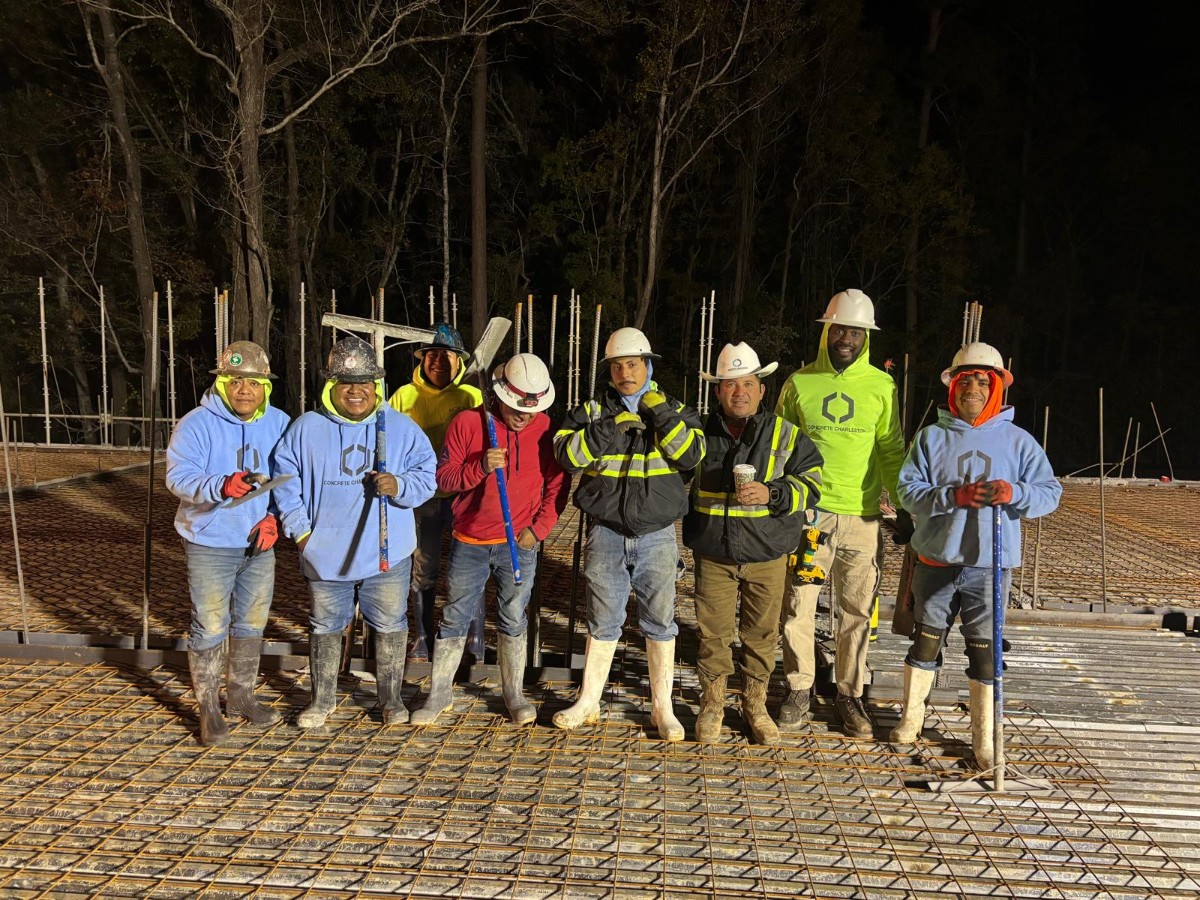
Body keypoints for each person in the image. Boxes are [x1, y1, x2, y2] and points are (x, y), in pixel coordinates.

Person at [892, 342, 1061, 768]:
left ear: (998, 388)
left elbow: (1049, 492)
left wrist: (1014, 493)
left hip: (989, 564)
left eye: (982, 380)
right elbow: (907, 492)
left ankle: (984, 738)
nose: (973, 387)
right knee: (927, 641)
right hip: (936, 559)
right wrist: (953, 497)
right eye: (965, 379)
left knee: (984, 649)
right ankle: (910, 721)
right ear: (952, 387)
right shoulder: (931, 438)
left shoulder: (1019, 442)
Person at [273, 335, 437, 728]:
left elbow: (427, 476)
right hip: (326, 551)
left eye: (364, 382)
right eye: (347, 383)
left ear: (376, 385)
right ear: (332, 385)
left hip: (386, 550)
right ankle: (322, 699)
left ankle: (391, 699)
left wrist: (398, 486)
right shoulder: (305, 429)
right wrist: (301, 534)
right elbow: (285, 481)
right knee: (326, 626)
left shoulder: (400, 428)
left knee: (390, 624)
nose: (356, 391)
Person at [552, 327, 705, 741]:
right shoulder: (592, 411)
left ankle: (663, 709)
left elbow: (691, 454)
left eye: (633, 364)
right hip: (606, 532)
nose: (625, 372)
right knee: (602, 620)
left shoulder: (674, 408)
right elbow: (566, 456)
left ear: (648, 366)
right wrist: (610, 428)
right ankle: (589, 701)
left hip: (657, 534)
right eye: (617, 366)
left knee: (660, 621)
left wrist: (659, 412)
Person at [775, 289, 908, 738]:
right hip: (811, 517)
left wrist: (903, 506)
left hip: (863, 519)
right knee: (799, 604)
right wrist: (781, 500)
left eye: (855, 331)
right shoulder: (800, 383)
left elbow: (890, 449)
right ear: (827, 331)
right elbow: (780, 447)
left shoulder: (882, 387)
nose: (846, 337)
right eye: (839, 329)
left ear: (865, 337)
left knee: (856, 609)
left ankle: (849, 694)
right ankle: (799, 687)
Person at [410, 354, 570, 725]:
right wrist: (479, 467)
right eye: (516, 407)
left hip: (520, 541)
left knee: (514, 616)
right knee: (455, 616)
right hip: (471, 539)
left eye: (530, 409)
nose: (523, 416)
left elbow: (557, 484)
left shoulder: (545, 427)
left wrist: (539, 530)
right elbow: (444, 480)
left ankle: (513, 692)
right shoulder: (467, 422)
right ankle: (439, 693)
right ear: (499, 396)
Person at [682, 342, 822, 745]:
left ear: (762, 390)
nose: (739, 392)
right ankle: (712, 704)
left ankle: (755, 705)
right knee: (714, 634)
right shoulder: (698, 436)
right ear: (717, 392)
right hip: (714, 553)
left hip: (767, 553)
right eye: (729, 385)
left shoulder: (786, 434)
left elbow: (813, 483)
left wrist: (773, 494)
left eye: (747, 384)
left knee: (761, 634)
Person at [165, 341, 290, 746]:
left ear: (265, 388)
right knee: (210, 624)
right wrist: (218, 486)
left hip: (259, 541)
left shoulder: (280, 424)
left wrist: (275, 519)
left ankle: (240, 696)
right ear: (221, 384)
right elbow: (178, 477)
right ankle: (210, 710)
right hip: (210, 541)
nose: (244, 390)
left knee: (252, 622)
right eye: (235, 381)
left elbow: (287, 481)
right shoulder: (196, 424)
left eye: (253, 383)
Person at [388, 325, 483, 664]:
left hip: (463, 494)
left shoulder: (472, 397)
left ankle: (474, 637)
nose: (438, 362)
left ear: (459, 362)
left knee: (469, 567)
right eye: (432, 355)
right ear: (423, 360)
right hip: (422, 496)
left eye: (446, 356)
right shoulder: (403, 396)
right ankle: (424, 637)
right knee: (423, 567)